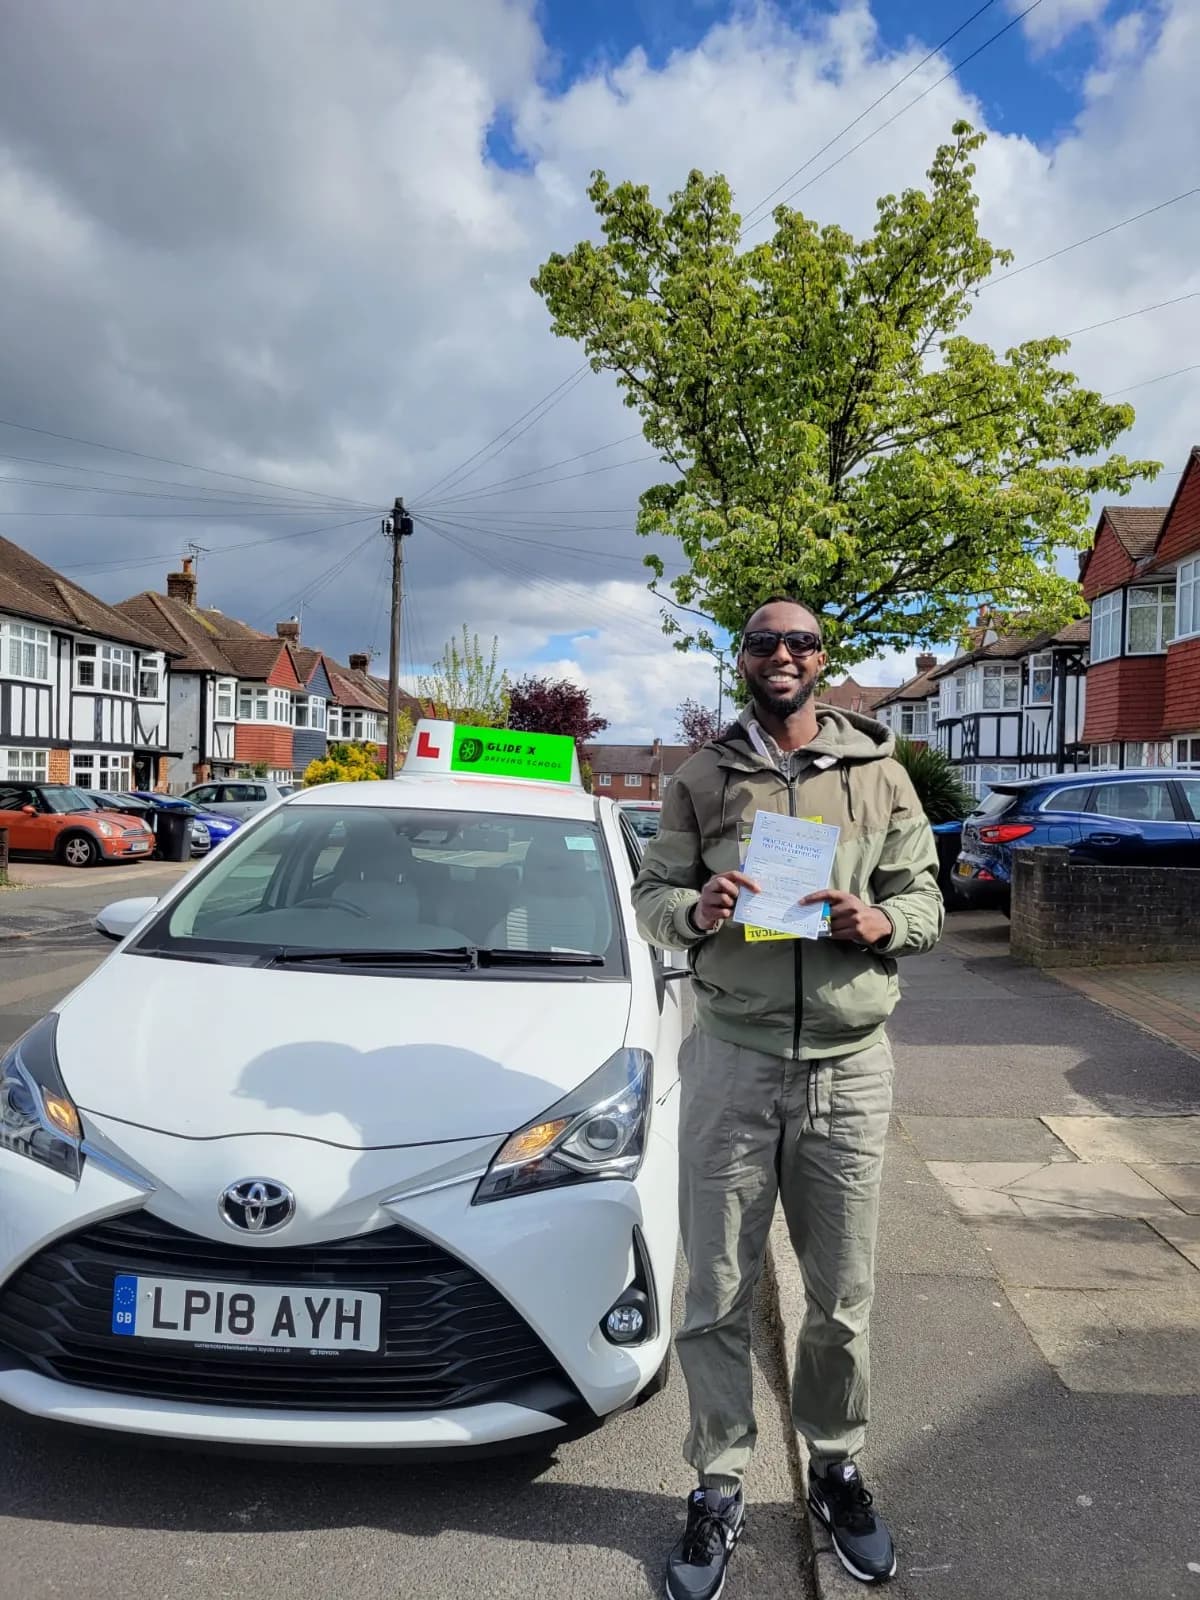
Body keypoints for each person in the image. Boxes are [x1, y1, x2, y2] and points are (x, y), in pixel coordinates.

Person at [632, 597, 943, 1595]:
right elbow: (651, 898)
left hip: (850, 1066)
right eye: (764, 641)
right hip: (731, 1057)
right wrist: (697, 906)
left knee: (842, 1293)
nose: (782, 655)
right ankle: (719, 1479)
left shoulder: (880, 772)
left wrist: (877, 920)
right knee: (715, 1286)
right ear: (745, 658)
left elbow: (929, 897)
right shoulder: (701, 775)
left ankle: (835, 1462)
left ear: (823, 657)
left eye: (800, 641)